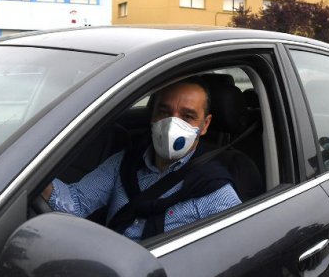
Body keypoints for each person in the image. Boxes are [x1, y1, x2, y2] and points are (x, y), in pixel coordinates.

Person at [41, 77, 241, 241]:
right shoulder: (126, 162)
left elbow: (231, 257)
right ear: (152, 114)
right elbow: (76, 203)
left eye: (188, 116)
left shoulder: (216, 192)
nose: (173, 124)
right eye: (164, 111)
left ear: (205, 125)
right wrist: (30, 173)